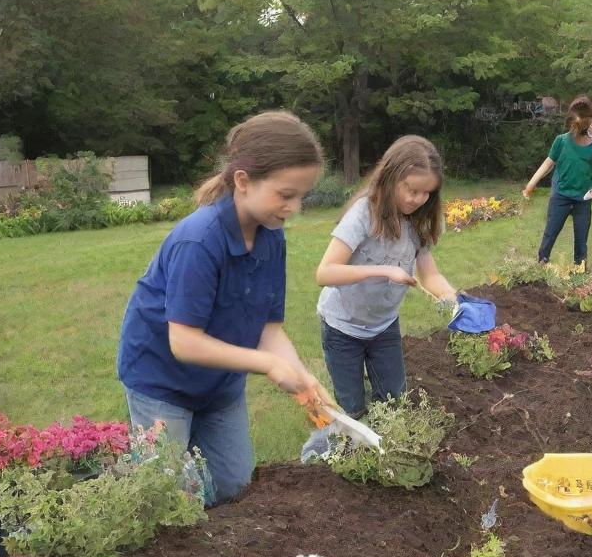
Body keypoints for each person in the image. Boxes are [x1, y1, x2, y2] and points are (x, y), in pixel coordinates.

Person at [118, 110, 330, 505]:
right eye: (286, 195)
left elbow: (269, 328)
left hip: (220, 384)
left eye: (301, 196)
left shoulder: (271, 237)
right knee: (165, 497)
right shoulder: (199, 241)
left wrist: (300, 374)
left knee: (234, 485)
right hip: (161, 379)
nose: (294, 207)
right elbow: (184, 343)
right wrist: (267, 365)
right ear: (243, 181)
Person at [315, 135, 457, 419]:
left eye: (427, 193)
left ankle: (389, 456)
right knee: (352, 407)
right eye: (412, 190)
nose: (419, 200)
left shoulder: (420, 221)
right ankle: (353, 451)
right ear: (392, 176)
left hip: (384, 326)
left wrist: (453, 299)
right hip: (342, 327)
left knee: (393, 401)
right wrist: (383, 270)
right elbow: (325, 272)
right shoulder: (363, 214)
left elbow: (430, 274)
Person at [523, 95, 592, 267]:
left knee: (581, 240)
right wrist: (530, 185)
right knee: (550, 234)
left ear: (588, 122)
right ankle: (541, 265)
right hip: (560, 197)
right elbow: (547, 164)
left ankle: (580, 272)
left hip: (582, 201)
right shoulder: (561, 141)